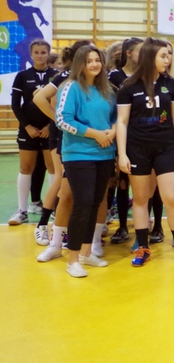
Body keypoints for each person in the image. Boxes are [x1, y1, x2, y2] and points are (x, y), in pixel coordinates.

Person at [117, 37, 174, 267]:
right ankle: (142, 247)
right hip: (137, 148)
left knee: (171, 197)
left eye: (168, 55)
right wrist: (122, 154)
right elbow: (122, 122)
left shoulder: (171, 84)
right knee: (141, 199)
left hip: (166, 147)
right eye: (163, 56)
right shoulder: (129, 86)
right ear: (150, 57)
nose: (167, 59)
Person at [55, 45, 117, 277]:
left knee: (94, 203)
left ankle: (86, 253)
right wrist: (95, 134)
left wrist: (112, 132)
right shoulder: (70, 87)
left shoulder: (107, 90)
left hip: (105, 154)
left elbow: (116, 118)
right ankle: (72, 260)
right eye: (89, 60)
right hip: (79, 155)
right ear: (79, 64)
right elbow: (63, 120)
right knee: (82, 203)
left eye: (97, 60)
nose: (94, 64)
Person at [32, 40, 93, 260]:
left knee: (76, 189)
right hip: (63, 135)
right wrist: (58, 120)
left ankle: (75, 236)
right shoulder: (66, 76)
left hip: (86, 138)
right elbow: (39, 98)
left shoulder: (95, 79)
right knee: (62, 183)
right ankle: (44, 227)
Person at [9, 39, 57, 226]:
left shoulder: (55, 75)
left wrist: (49, 127)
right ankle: (22, 211)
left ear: (48, 54)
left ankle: (53, 208)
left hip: (49, 130)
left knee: (53, 168)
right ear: (31, 54)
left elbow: (58, 105)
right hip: (27, 130)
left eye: (43, 52)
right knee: (25, 168)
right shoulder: (22, 76)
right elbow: (15, 105)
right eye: (36, 52)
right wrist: (27, 126)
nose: (40, 55)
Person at [106, 37, 143, 243]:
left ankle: (148, 224)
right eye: (140, 51)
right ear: (129, 53)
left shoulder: (145, 74)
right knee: (119, 181)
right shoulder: (114, 76)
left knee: (142, 183)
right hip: (118, 134)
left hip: (140, 135)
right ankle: (121, 226)